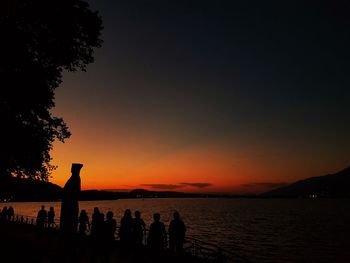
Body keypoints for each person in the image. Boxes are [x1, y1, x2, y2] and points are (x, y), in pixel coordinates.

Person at [60, 163, 83, 234]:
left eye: (72, 168)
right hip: (68, 203)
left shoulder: (76, 178)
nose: (71, 169)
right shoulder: (74, 178)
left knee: (69, 223)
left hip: (70, 204)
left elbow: (76, 192)